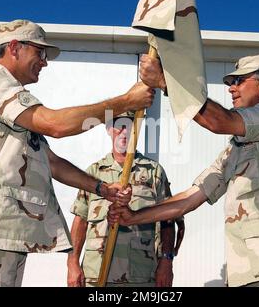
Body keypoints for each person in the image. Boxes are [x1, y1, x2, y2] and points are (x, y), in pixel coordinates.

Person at [0, 19, 154, 287]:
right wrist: (124, 102)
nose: (45, 62)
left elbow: (50, 162)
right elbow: (56, 125)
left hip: (0, 239)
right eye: (40, 52)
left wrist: (102, 188)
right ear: (14, 47)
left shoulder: (15, 107)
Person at [109, 54, 259, 287]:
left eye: (239, 81)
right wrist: (134, 216)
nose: (231, 89)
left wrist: (165, 81)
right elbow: (189, 199)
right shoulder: (235, 149)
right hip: (248, 275)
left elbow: (219, 121)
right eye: (230, 84)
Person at [67, 112, 184, 287]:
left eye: (130, 125)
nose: (124, 131)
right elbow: (80, 220)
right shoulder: (93, 173)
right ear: (108, 129)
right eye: (119, 125)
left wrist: (167, 261)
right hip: (97, 276)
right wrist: (73, 264)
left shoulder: (153, 173)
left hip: (140, 277)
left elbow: (167, 220)